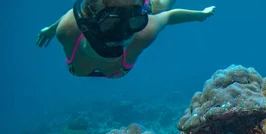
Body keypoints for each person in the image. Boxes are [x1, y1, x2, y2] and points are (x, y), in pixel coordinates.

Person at [36, 0, 216, 78]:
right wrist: (51, 30)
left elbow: (168, 17)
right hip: (127, 11)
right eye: (109, 35)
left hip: (139, 8)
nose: (118, 45)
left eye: (130, 28)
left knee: (160, 5)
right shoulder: (67, 30)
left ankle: (141, 7)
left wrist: (200, 15)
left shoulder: (143, 32)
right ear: (86, 28)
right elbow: (73, 16)